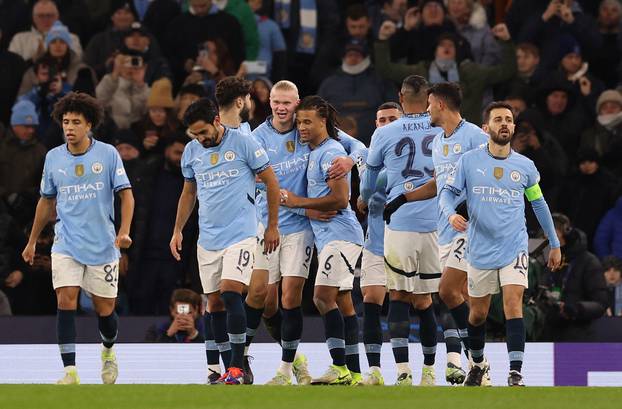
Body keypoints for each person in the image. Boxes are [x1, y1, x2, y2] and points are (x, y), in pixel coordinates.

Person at [249, 81, 366, 386]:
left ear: (298, 103)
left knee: (303, 297)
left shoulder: (318, 142)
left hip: (308, 230)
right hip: (273, 223)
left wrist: (350, 161)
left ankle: (290, 368)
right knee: (267, 300)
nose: (283, 109)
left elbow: (361, 149)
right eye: (277, 102)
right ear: (270, 103)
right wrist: (303, 207)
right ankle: (343, 369)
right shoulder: (258, 137)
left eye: (289, 103)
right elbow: (256, 182)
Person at [438, 101, 562, 386]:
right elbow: (447, 194)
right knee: (478, 313)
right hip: (479, 247)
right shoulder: (469, 161)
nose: (504, 123)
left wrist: (553, 243)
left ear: (514, 127)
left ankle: (515, 372)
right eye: (498, 119)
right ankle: (479, 364)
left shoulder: (525, 166)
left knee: (513, 305)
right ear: (486, 128)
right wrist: (451, 214)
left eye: (508, 119)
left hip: (514, 247)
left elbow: (539, 204)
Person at [21, 92, 135, 385]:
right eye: (65, 122)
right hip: (66, 243)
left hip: (103, 245)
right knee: (66, 299)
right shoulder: (53, 158)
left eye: (76, 122)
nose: (69, 127)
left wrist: (124, 231)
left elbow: (126, 195)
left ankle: (108, 352)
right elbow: (46, 202)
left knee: (104, 309)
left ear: (89, 125)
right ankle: (70, 371)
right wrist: (32, 240)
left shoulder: (108, 154)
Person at [383, 82, 489, 385]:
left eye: (429, 104)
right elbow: (439, 184)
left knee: (448, 291)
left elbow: (495, 174)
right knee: (456, 296)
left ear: (440, 104)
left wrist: (470, 210)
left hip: (469, 228)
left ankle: (477, 361)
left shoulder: (475, 138)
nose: (426, 109)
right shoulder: (441, 141)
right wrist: (404, 198)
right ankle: (478, 364)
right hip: (444, 230)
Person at [170, 97, 280, 385]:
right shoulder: (192, 152)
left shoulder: (243, 143)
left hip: (242, 233)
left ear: (217, 121)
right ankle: (228, 367)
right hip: (208, 238)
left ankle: (235, 368)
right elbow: (188, 193)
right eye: (195, 134)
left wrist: (272, 226)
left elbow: (271, 181)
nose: (200, 138)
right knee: (214, 304)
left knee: (232, 292)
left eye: (203, 132)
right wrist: (178, 230)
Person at [360, 75, 441, 386]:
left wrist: (366, 199)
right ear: (430, 97)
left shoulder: (385, 135)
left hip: (399, 224)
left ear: (401, 97)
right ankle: (433, 370)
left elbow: (368, 183)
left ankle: (405, 372)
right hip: (434, 223)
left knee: (401, 297)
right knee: (425, 299)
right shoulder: (444, 129)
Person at [280, 96, 364, 385]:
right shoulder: (316, 150)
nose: (301, 127)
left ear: (323, 121)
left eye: (307, 122)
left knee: (321, 297)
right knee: (343, 301)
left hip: (340, 235)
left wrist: (297, 203)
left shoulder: (331, 153)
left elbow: (341, 199)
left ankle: (338, 367)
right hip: (333, 237)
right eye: (299, 121)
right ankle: (353, 372)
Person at [375, 20, 516, 125]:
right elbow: (386, 69)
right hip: (428, 137)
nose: (446, 48)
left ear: (457, 51)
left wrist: (506, 41)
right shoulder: (420, 72)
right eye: (442, 45)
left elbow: (506, 71)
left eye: (451, 45)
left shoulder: (472, 73)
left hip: (466, 138)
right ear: (435, 50)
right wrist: (382, 39)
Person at [356, 101, 403, 386]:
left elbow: (377, 184)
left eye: (392, 119)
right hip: (375, 241)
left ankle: (406, 370)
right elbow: (348, 143)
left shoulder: (410, 157)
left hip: (406, 240)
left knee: (412, 302)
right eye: (381, 120)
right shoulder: (367, 154)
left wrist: (367, 190)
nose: (386, 124)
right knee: (371, 300)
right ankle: (374, 370)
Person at [540, 213, 608, 341]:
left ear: (563, 232)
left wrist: (575, 309)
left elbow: (601, 303)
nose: (546, 237)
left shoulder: (588, 262)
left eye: (550, 232)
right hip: (544, 336)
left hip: (577, 337)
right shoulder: (542, 260)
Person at [317, 39, 398, 146]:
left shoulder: (381, 82)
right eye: (349, 55)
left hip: (374, 144)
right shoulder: (328, 84)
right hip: (336, 145)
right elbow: (317, 114)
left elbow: (395, 113)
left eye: (357, 55)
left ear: (366, 57)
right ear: (343, 57)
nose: (353, 58)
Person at [0, 101, 47, 228]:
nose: (30, 130)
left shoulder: (40, 151)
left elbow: (45, 184)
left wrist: (28, 197)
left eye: (33, 126)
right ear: (15, 124)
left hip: (26, 215)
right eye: (26, 126)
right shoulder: (3, 146)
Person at [9, 0, 84, 63]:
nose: (45, 19)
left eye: (50, 15)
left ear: (57, 16)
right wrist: (33, 59)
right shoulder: (19, 39)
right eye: (41, 16)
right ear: (34, 18)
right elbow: (12, 65)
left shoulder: (71, 38)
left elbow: (77, 62)